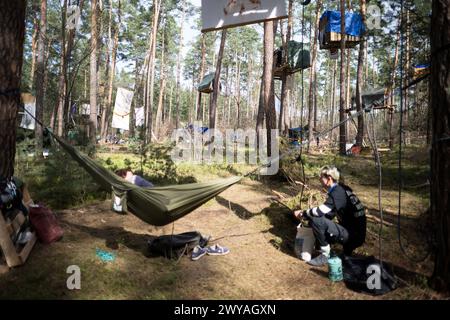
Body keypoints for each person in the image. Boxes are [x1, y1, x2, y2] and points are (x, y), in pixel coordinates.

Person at [294, 166, 366, 267]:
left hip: (353, 236)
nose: (319, 180)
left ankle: (325, 255)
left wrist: (303, 213)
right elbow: (329, 214)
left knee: (316, 220)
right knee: (317, 220)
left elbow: (321, 211)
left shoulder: (338, 192)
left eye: (321, 177)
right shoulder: (343, 190)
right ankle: (340, 252)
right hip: (356, 234)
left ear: (329, 178)